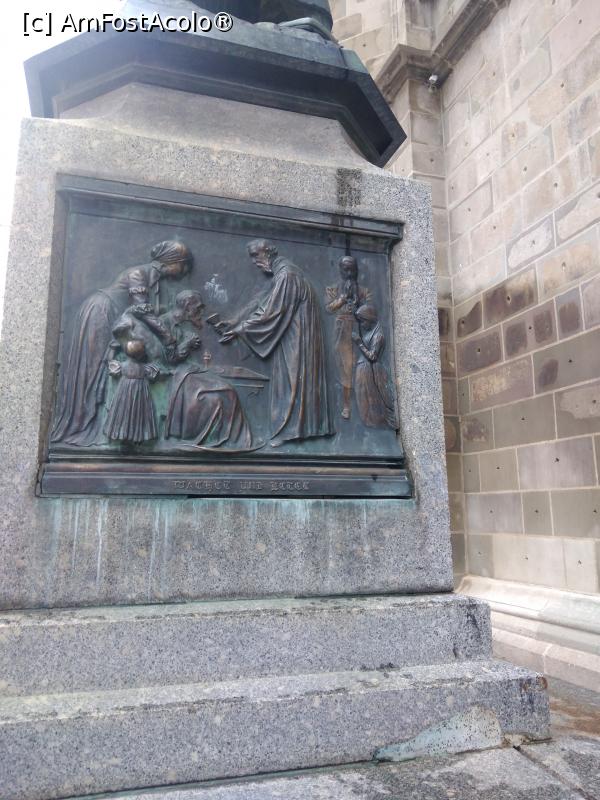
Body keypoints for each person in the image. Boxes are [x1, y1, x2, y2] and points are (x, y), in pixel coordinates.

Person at [50, 241, 192, 447]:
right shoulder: (138, 274)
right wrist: (168, 337)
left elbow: (145, 313)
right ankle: (82, 424)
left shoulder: (156, 282)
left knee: (101, 371)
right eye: (183, 264)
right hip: (101, 314)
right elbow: (143, 312)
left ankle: (93, 423)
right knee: (92, 370)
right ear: (169, 262)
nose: (184, 270)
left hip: (117, 319)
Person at [220, 239, 333, 447]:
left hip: (297, 337)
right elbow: (264, 302)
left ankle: (288, 431)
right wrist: (236, 322)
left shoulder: (287, 275)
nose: (254, 261)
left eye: (256, 255)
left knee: (292, 380)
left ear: (269, 252)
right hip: (294, 333)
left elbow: (272, 311)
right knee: (294, 379)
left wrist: (241, 329)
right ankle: (299, 428)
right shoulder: (284, 273)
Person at [163, 291, 254, 451]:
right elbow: (169, 358)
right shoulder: (164, 323)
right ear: (187, 307)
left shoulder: (184, 323)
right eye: (198, 308)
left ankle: (231, 441)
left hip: (188, 372)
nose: (201, 312)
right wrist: (187, 343)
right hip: (176, 375)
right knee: (225, 393)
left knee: (229, 391)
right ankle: (217, 439)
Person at [325, 256, 371, 420]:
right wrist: (342, 299)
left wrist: (359, 304)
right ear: (340, 270)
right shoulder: (332, 289)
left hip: (360, 331)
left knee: (359, 367)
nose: (349, 273)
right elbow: (328, 308)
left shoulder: (364, 291)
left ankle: (359, 404)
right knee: (343, 367)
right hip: (341, 332)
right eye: (346, 269)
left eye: (352, 269)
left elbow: (371, 309)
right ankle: (344, 403)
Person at [104, 339, 162, 445]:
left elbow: (110, 363)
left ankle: (123, 435)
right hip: (140, 392)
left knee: (123, 413)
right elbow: (154, 375)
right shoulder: (145, 368)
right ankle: (137, 436)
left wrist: (112, 349)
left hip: (124, 392)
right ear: (141, 355)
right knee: (139, 414)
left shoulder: (122, 365)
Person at [352, 304, 398, 430]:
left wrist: (359, 342)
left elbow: (372, 356)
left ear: (369, 319)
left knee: (369, 398)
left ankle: (374, 422)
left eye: (363, 321)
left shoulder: (379, 335)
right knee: (362, 398)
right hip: (362, 368)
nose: (361, 325)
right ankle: (368, 423)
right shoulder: (370, 332)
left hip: (368, 370)